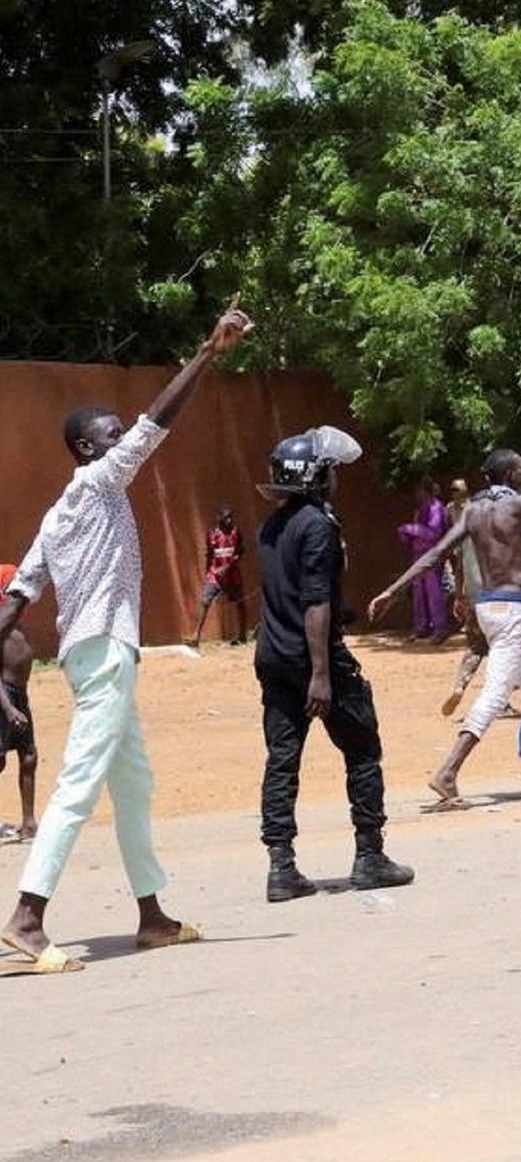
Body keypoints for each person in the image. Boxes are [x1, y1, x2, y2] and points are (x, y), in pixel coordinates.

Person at [0, 301, 251, 974]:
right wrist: (207, 353)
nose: (125, 439)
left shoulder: (59, 515)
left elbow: (18, 595)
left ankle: (152, 916)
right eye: (112, 435)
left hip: (93, 655)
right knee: (79, 783)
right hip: (106, 651)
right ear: (88, 449)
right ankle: (27, 917)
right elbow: (156, 424)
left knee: (132, 783)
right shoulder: (96, 482)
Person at [367, 443, 521, 806]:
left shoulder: (472, 510)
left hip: (486, 608)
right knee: (496, 693)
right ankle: (447, 772)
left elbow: (436, 553)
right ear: (510, 474)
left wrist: (394, 590)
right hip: (512, 609)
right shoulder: (517, 504)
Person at [251, 426, 414, 902]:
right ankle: (370, 856)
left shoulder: (271, 525)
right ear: (318, 478)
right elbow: (315, 601)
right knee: (362, 748)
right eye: (331, 472)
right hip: (313, 661)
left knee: (282, 760)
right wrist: (321, 674)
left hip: (273, 656)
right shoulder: (318, 525)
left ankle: (281, 867)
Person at [439, 477, 492, 721]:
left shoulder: (466, 532)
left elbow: (459, 565)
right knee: (500, 648)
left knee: (474, 646)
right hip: (496, 597)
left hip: (473, 595)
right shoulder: (499, 532)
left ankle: (460, 686)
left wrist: (459, 596)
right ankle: (499, 700)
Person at [1, 569, 34, 844]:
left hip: (20, 696)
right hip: (3, 698)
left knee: (29, 755)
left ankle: (29, 822)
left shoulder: (17, 625)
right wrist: (9, 709)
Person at [396, 482, 452, 642]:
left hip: (431, 555)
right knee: (419, 593)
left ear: (426, 492)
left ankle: (440, 629)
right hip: (418, 555)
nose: (416, 494)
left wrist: (408, 529)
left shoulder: (436, 508)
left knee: (434, 593)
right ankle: (421, 627)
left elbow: (433, 533)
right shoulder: (421, 509)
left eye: (419, 491)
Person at [190, 507, 249, 647]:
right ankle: (195, 636)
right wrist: (209, 572)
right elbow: (210, 555)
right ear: (220, 519)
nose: (230, 520)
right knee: (205, 601)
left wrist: (228, 566)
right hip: (215, 575)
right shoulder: (212, 535)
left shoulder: (236, 532)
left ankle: (242, 635)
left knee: (240, 603)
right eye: (227, 517)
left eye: (231, 517)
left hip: (232, 576)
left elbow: (240, 551)